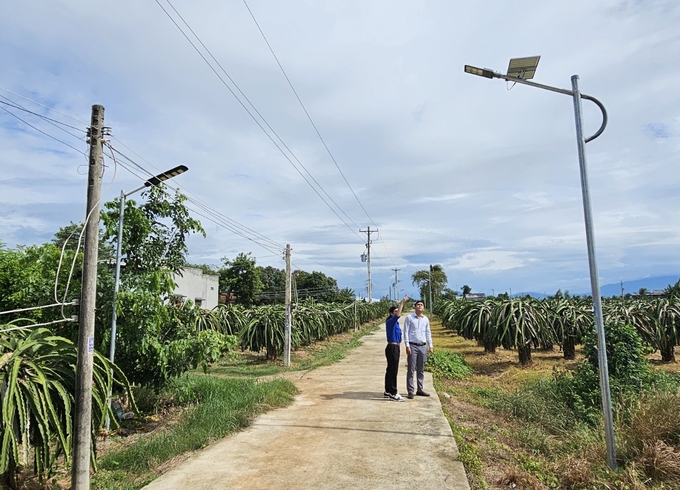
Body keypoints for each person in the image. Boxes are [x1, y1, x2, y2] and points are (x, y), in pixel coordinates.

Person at [404, 299, 433, 399]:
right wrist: (407, 345)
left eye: (421, 305)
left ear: (424, 308)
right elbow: (406, 332)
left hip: (422, 346)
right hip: (413, 345)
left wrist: (430, 345)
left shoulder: (425, 319)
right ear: (415, 307)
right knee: (411, 369)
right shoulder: (409, 318)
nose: (420, 306)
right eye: (418, 305)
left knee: (421, 369)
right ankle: (410, 391)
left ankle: (420, 389)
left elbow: (428, 332)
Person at [384, 295, 408, 401]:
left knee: (391, 369)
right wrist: (402, 303)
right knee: (393, 370)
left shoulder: (395, 324)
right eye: (395, 311)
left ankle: (388, 390)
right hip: (392, 347)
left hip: (395, 347)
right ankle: (393, 392)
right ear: (391, 313)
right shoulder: (391, 321)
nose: (397, 313)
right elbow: (398, 315)